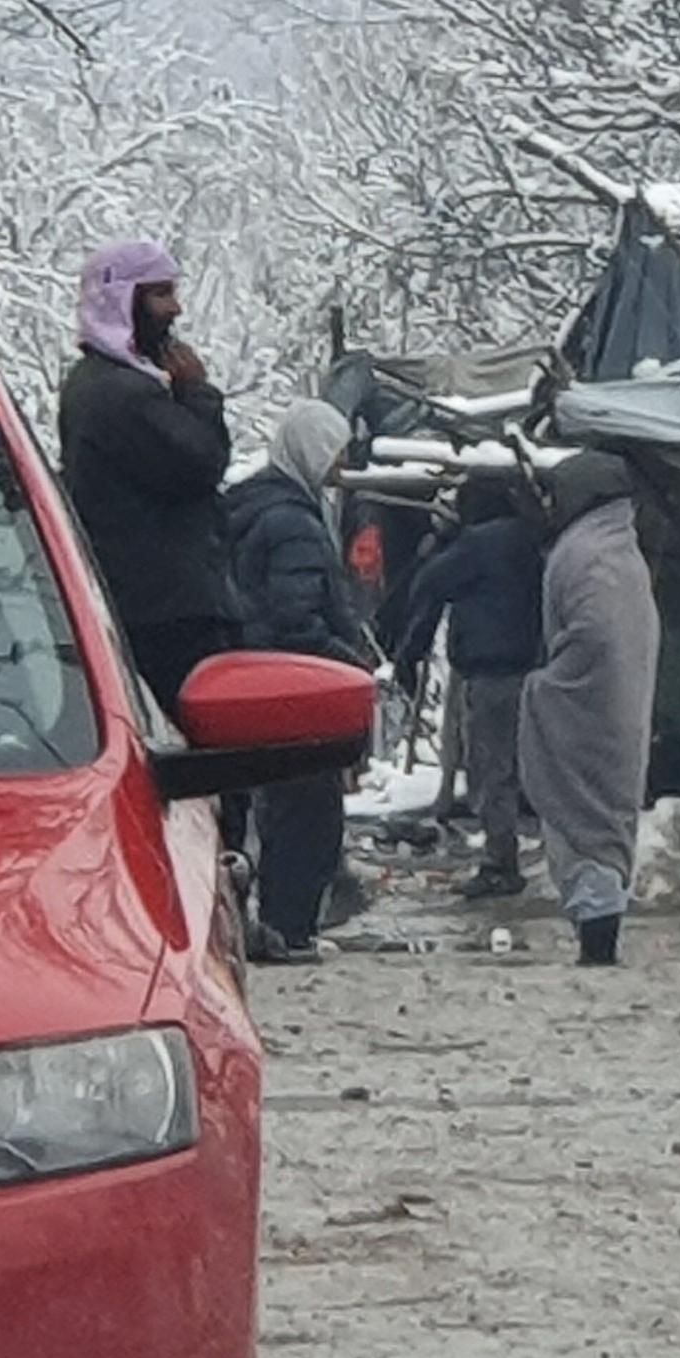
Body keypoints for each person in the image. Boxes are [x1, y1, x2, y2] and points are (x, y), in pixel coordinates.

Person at [221, 401, 381, 962]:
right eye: (333, 448)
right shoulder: (295, 522)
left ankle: (273, 925)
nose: (341, 463)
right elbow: (299, 618)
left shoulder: (257, 508)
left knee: (275, 811)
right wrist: (350, 664)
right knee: (309, 815)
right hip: (301, 688)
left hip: (256, 683)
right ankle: (292, 929)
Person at [59, 240, 236, 715]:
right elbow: (199, 463)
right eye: (160, 295)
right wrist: (198, 395)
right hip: (165, 614)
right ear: (123, 300)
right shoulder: (121, 395)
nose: (175, 310)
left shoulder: (103, 385)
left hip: (148, 604)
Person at [524, 455, 661, 967]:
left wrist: (551, 682)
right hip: (618, 705)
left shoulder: (588, 553)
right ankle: (598, 933)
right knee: (603, 814)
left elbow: (597, 631)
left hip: (589, 707)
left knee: (583, 819)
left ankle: (597, 939)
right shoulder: (614, 548)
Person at [397, 471, 549, 899]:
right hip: (533, 668)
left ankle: (501, 863)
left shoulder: (478, 543)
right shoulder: (531, 537)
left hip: (490, 672)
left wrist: (445, 541)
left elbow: (429, 583)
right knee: (534, 766)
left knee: (490, 772)